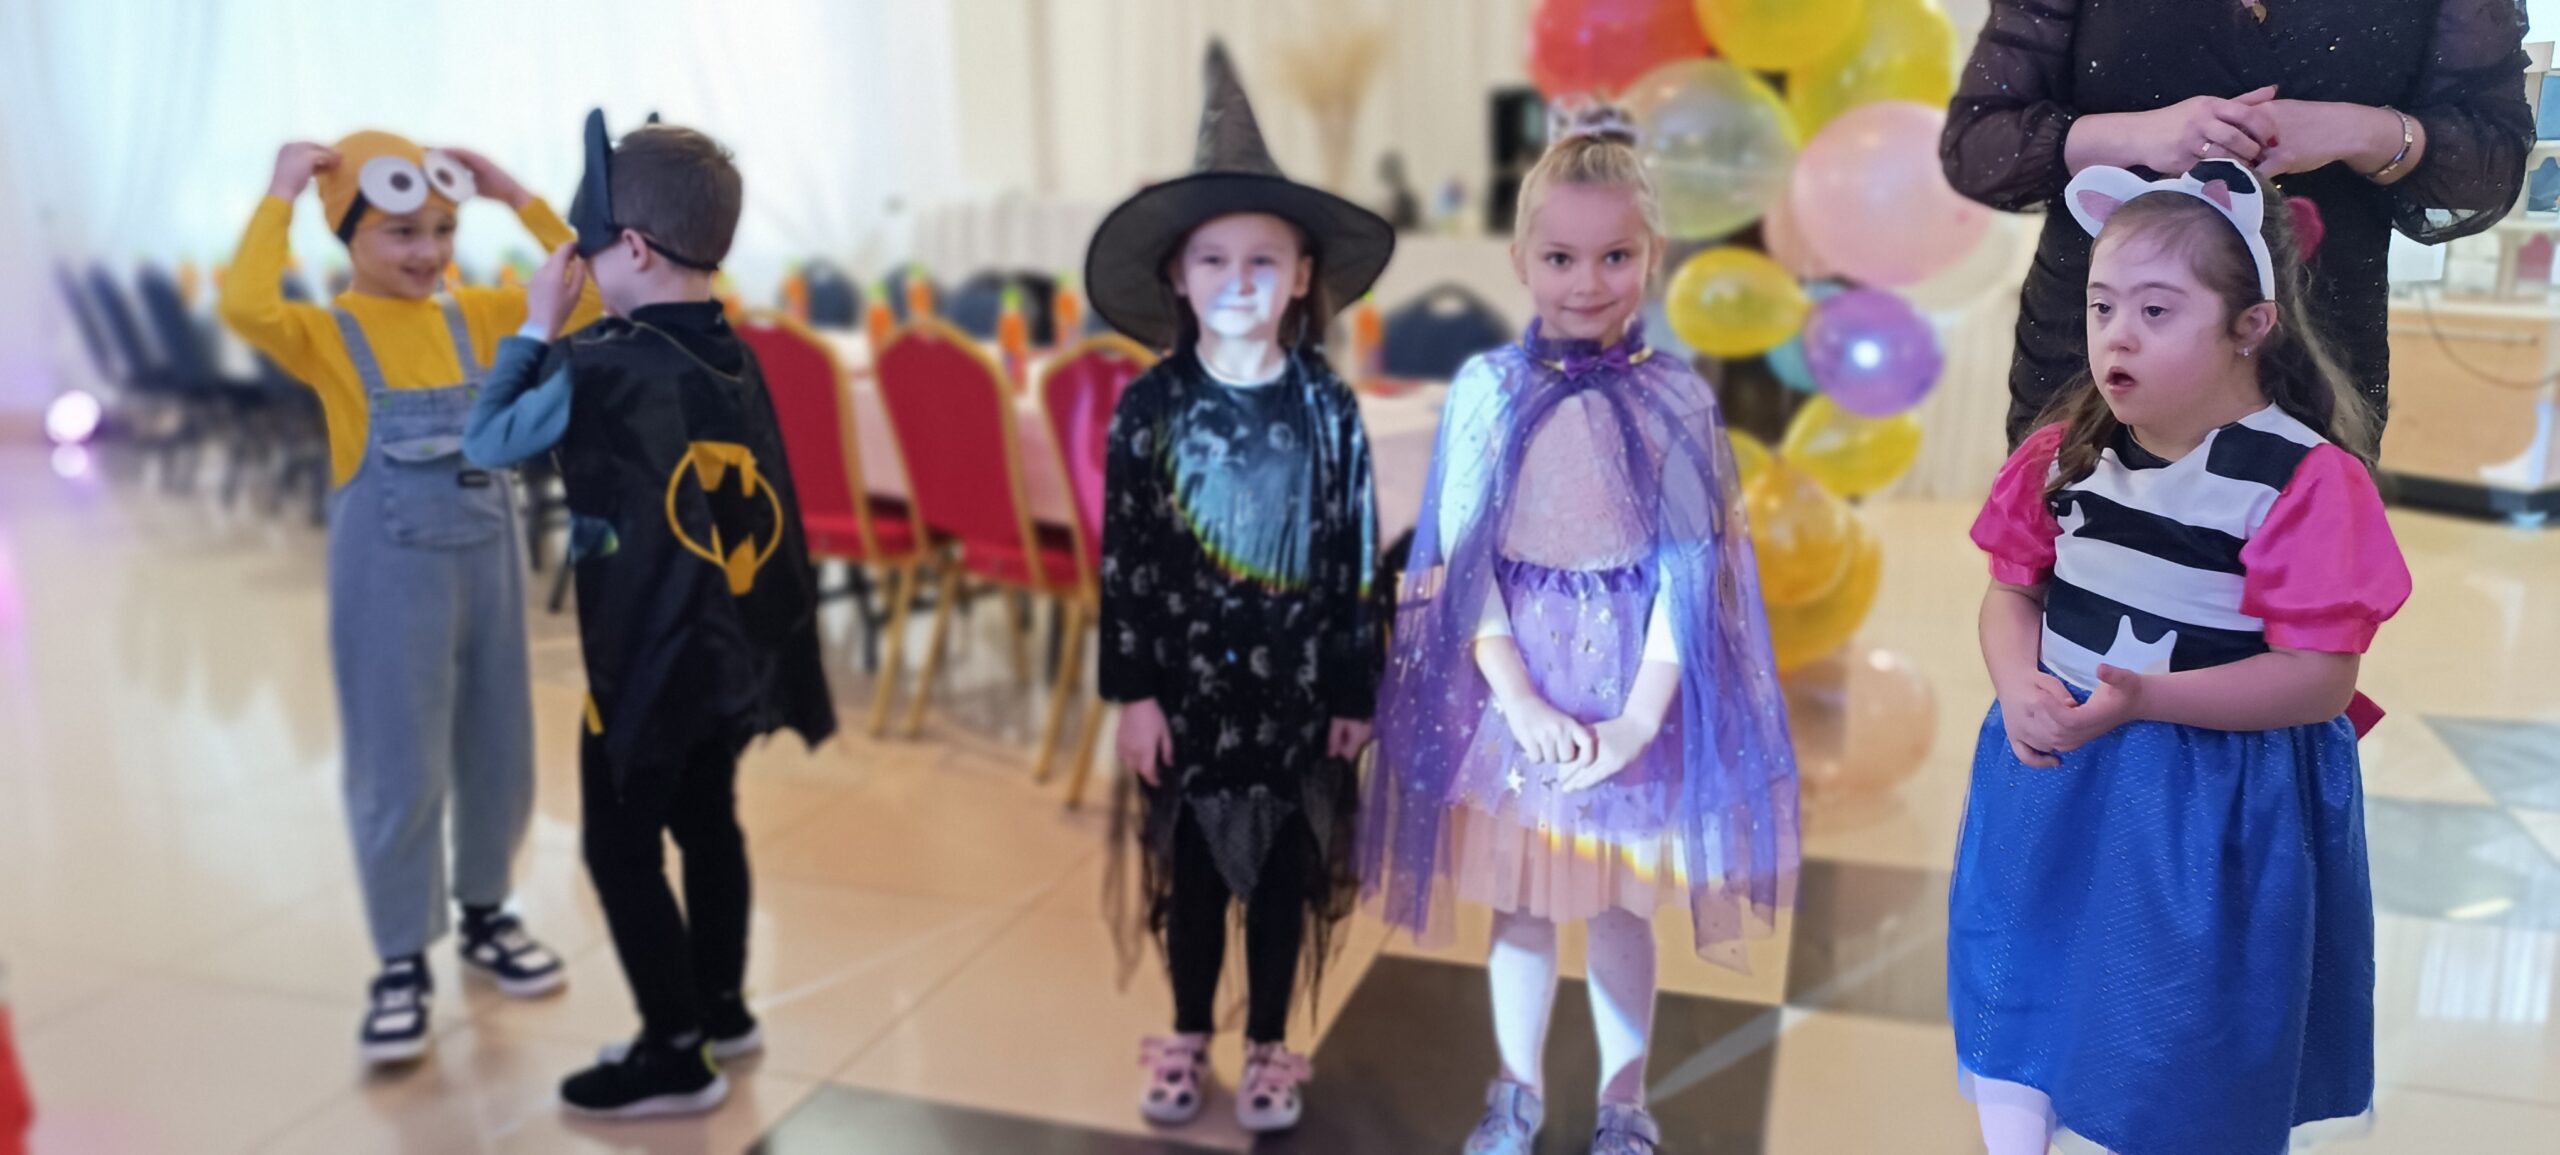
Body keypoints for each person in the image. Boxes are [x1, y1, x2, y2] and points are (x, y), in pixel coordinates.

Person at [1361, 98, 1798, 1155]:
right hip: (1516, 688)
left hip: (1626, 687)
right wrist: (1515, 696)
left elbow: (1691, 572)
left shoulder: (1677, 400)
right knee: (1518, 905)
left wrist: (1641, 718)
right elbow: (1465, 561)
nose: (1587, 281)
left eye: (1615, 256)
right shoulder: (1484, 390)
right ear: (1521, 259)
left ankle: (1623, 1098)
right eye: (1560, 256)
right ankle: (1514, 1087)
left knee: (1619, 908)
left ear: (1652, 256)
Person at [1951, 158, 2412, 1155]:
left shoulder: (2302, 481)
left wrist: (2146, 700)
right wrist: (2016, 682)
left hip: (2205, 799)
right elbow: (2010, 592)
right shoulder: (2063, 455)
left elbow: (2318, 678)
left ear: (2251, 325)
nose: (2115, 334)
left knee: (2174, 1017)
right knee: (2020, 972)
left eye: (2156, 310)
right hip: (2054, 772)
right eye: (2102, 305)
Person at [461, 113, 836, 1118]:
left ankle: (675, 1054)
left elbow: (488, 439)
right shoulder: (735, 352)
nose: (580, 267)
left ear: (629, 248)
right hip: (730, 653)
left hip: (644, 661)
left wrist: (535, 327)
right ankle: (722, 1009)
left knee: (620, 851)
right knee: (709, 823)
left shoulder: (594, 366)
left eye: (589, 249)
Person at [219, 131, 594, 1065]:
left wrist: (515, 193)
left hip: (488, 570)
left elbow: (588, 292)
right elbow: (244, 303)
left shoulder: (481, 317)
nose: (428, 251)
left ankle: (486, 914)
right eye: (401, 232)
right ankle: (400, 959)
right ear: (348, 235)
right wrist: (280, 192)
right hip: (387, 580)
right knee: (400, 764)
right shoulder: (328, 335)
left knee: (499, 749)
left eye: (442, 228)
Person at [1086, 42, 1392, 1137]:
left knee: (1279, 880)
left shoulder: (1327, 407)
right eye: (1213, 259)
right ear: (1177, 275)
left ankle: (1268, 1039)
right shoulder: (1149, 408)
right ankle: (1184, 1029)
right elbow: (1124, 564)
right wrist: (1133, 694)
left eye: (1264, 258)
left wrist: (1353, 689)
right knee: (1193, 875)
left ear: (1303, 275)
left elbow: (1354, 557)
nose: (1239, 279)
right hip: (1186, 699)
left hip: (1297, 703)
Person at [1941, 0, 2532, 445]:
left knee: (2299, 562)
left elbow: (2491, 168)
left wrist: (2355, 131)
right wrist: (2143, 136)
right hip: (2100, 351)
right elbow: (1977, 146)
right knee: (2072, 555)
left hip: (2310, 348)